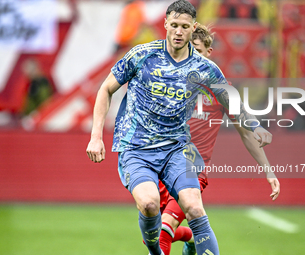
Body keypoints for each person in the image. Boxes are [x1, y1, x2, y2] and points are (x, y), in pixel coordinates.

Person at [86, 1, 273, 254]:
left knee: (194, 207)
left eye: (184, 27)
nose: (178, 31)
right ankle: (154, 249)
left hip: (177, 150)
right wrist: (96, 136)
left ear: (192, 27)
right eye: (173, 25)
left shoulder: (205, 68)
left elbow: (234, 104)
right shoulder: (142, 55)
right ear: (165, 24)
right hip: (136, 148)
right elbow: (106, 88)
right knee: (150, 205)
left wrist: (257, 126)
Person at [156, 23, 280, 255]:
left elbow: (246, 132)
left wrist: (268, 170)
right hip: (162, 166)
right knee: (152, 236)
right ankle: (191, 238)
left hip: (192, 168)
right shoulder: (169, 84)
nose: (193, 58)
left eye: (198, 51)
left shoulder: (221, 89)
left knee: (164, 230)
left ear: (209, 54)